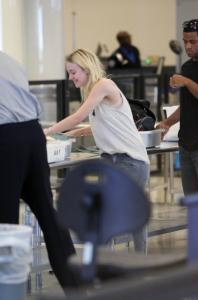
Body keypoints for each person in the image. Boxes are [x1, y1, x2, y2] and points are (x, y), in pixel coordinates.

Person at [45, 49, 150, 253]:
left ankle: (136, 262)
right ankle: (105, 262)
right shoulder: (93, 90)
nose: (71, 77)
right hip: (111, 161)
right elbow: (103, 122)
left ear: (86, 69)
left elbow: (78, 116)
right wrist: (76, 133)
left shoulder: (104, 85)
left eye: (73, 72)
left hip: (130, 161)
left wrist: (47, 131)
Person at [0, 51, 78, 290]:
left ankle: (9, 292)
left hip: (5, 138)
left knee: (5, 225)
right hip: (32, 135)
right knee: (47, 212)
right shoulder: (9, 60)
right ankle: (78, 288)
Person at [157, 19, 198, 196]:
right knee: (193, 205)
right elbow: (187, 105)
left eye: (193, 41)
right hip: (186, 146)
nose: (188, 46)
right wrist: (167, 122)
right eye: (185, 41)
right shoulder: (187, 67)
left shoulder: (187, 75)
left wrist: (186, 82)